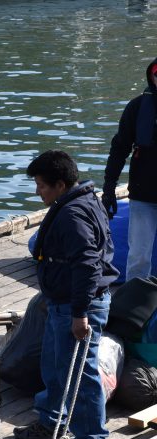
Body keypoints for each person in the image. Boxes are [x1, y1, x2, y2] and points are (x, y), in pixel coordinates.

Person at [14, 151, 119, 439]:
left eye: (42, 185)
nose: (37, 192)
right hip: (61, 303)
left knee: (80, 377)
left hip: (77, 307)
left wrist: (80, 313)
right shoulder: (83, 199)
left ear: (60, 185)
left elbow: (88, 264)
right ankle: (52, 422)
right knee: (54, 364)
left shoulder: (72, 215)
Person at [102, 58, 157, 281]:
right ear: (151, 76)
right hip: (143, 195)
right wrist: (108, 189)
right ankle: (134, 306)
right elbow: (119, 149)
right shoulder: (137, 107)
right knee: (139, 257)